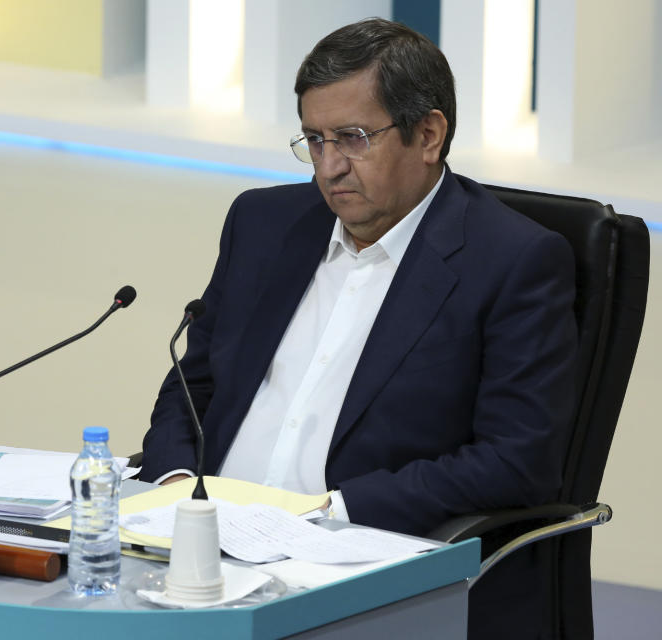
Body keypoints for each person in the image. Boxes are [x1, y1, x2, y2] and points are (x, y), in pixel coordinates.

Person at [139, 17, 577, 639]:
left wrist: (328, 512)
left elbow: (517, 459)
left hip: (351, 561)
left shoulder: (512, 261)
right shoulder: (262, 225)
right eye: (314, 140)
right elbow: (192, 387)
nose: (328, 167)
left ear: (428, 134)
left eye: (352, 137)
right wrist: (178, 490)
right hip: (199, 551)